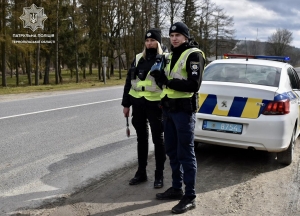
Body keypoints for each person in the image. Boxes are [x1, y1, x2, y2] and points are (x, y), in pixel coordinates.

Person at [151, 22, 205, 214]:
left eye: (178, 35)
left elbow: (193, 84)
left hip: (183, 112)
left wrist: (167, 81)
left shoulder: (193, 54)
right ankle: (176, 188)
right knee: (172, 152)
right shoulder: (170, 55)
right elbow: (165, 82)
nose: (174, 38)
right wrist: (158, 78)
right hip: (168, 111)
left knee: (186, 154)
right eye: (172, 35)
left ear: (186, 37)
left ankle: (190, 196)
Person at [121, 28, 166, 188]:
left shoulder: (164, 59)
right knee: (141, 139)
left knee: (158, 140)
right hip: (138, 104)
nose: (149, 43)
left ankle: (159, 175)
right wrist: (126, 104)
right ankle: (141, 172)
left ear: (158, 42)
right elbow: (129, 81)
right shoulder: (139, 58)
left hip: (155, 104)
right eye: (147, 41)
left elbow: (167, 83)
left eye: (152, 40)